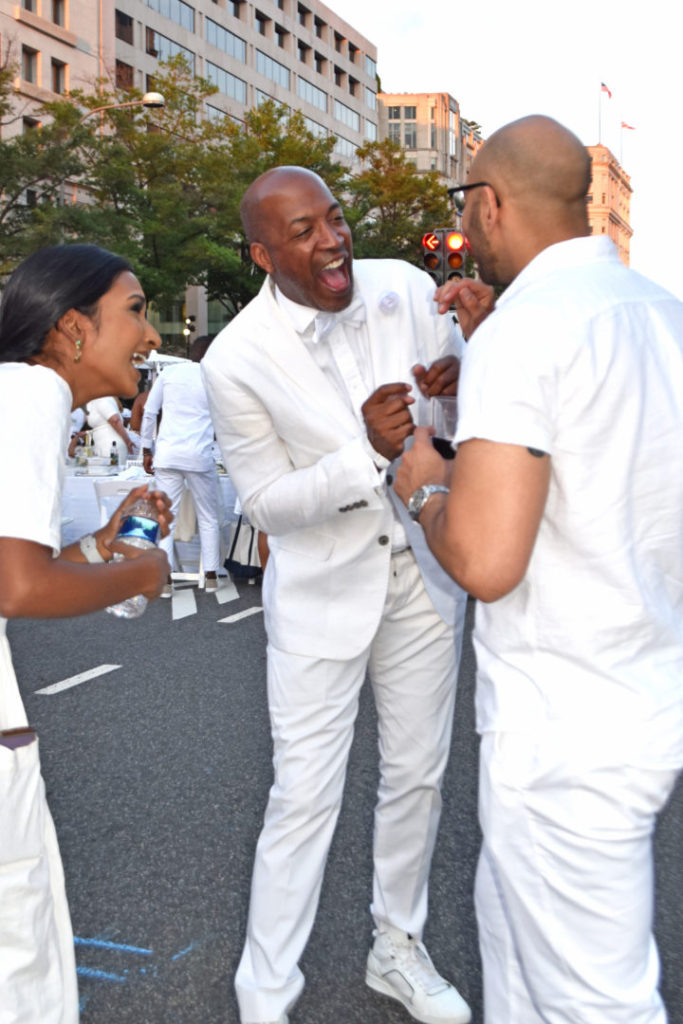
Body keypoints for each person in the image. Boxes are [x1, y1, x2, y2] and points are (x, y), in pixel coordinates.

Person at [394, 115, 683, 1024]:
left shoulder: (531, 332)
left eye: (463, 206)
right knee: (517, 966)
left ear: (487, 205)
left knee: (595, 1002)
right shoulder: (660, 315)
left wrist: (425, 485)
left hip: (563, 725)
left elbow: (483, 559)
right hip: (639, 687)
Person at [202, 166, 491, 1024]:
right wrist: (365, 453)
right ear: (262, 251)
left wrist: (457, 387)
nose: (333, 241)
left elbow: (462, 416)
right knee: (302, 796)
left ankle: (395, 949)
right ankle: (265, 993)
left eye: (333, 219)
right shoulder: (235, 358)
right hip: (324, 592)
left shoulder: (404, 285)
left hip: (425, 577)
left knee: (417, 780)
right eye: (303, 232)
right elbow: (263, 507)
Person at [0, 243, 172, 1024]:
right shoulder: (30, 393)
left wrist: (101, 549)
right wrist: (143, 574)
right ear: (72, 329)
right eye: (134, 310)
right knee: (19, 953)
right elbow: (20, 586)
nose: (152, 335)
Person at [141, 335, 221, 594]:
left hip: (168, 454)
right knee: (208, 517)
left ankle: (165, 579)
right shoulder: (216, 378)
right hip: (199, 455)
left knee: (167, 517)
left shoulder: (170, 373)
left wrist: (146, 448)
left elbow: (150, 412)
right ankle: (210, 576)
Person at [85, 393, 135, 464]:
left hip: (110, 446)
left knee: (111, 471)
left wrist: (128, 441)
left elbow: (115, 420)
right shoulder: (95, 401)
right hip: (103, 445)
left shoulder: (102, 399)